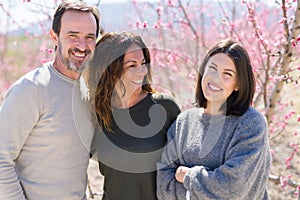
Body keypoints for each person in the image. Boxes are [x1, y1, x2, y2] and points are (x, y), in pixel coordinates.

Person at [0, 1, 100, 199]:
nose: (82, 45)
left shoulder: (90, 91)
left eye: (89, 37)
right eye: (73, 35)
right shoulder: (31, 89)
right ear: (54, 37)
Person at [157, 39, 272, 200]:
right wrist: (207, 187)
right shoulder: (184, 122)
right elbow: (163, 186)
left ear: (238, 84)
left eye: (227, 74)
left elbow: (234, 188)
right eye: (212, 68)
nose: (215, 78)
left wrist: (188, 175)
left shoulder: (250, 123)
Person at [84, 31, 181, 200]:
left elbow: (189, 165)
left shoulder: (164, 107)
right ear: (110, 70)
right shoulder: (98, 114)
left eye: (143, 63)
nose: (142, 71)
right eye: (132, 65)